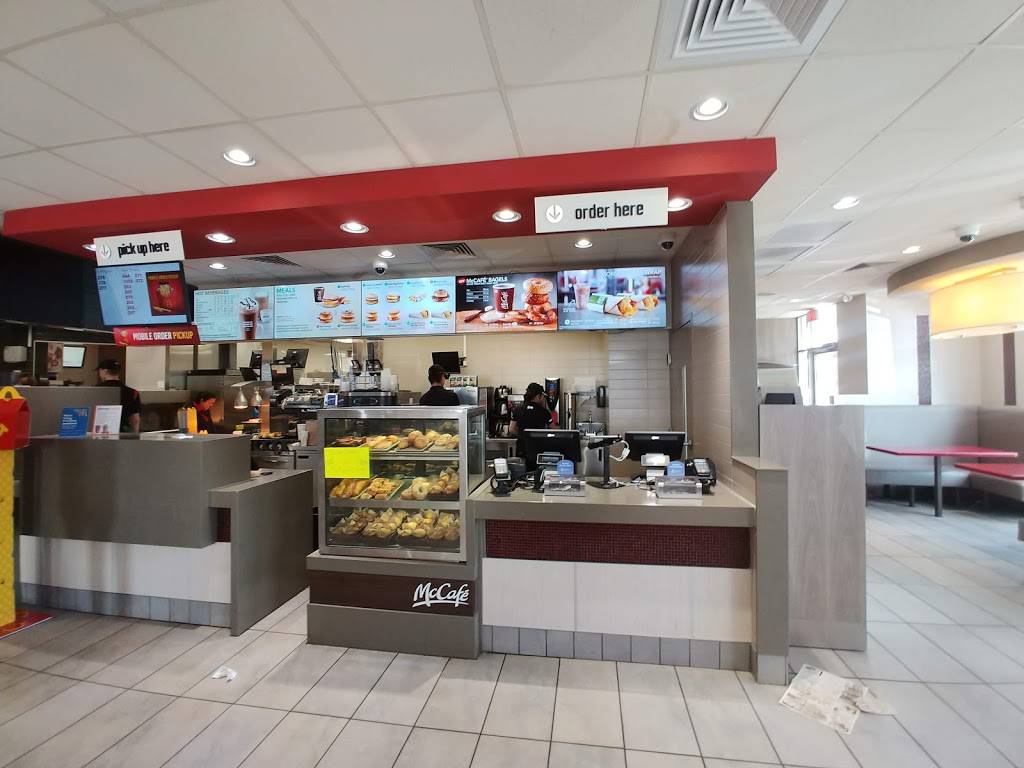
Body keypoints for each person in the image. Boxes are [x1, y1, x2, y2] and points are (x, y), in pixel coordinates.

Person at [510, 382, 552, 470]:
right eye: (542, 396)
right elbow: (553, 429)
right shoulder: (543, 412)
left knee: (522, 472)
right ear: (537, 396)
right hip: (538, 449)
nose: (543, 398)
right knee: (537, 473)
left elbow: (511, 429)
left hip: (522, 447)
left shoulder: (518, 409)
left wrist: (523, 434)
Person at [96, 359, 141, 433]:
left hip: (100, 432)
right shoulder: (133, 392)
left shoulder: (94, 390)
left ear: (104, 371)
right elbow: (135, 419)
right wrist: (134, 435)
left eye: (99, 371)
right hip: (123, 433)